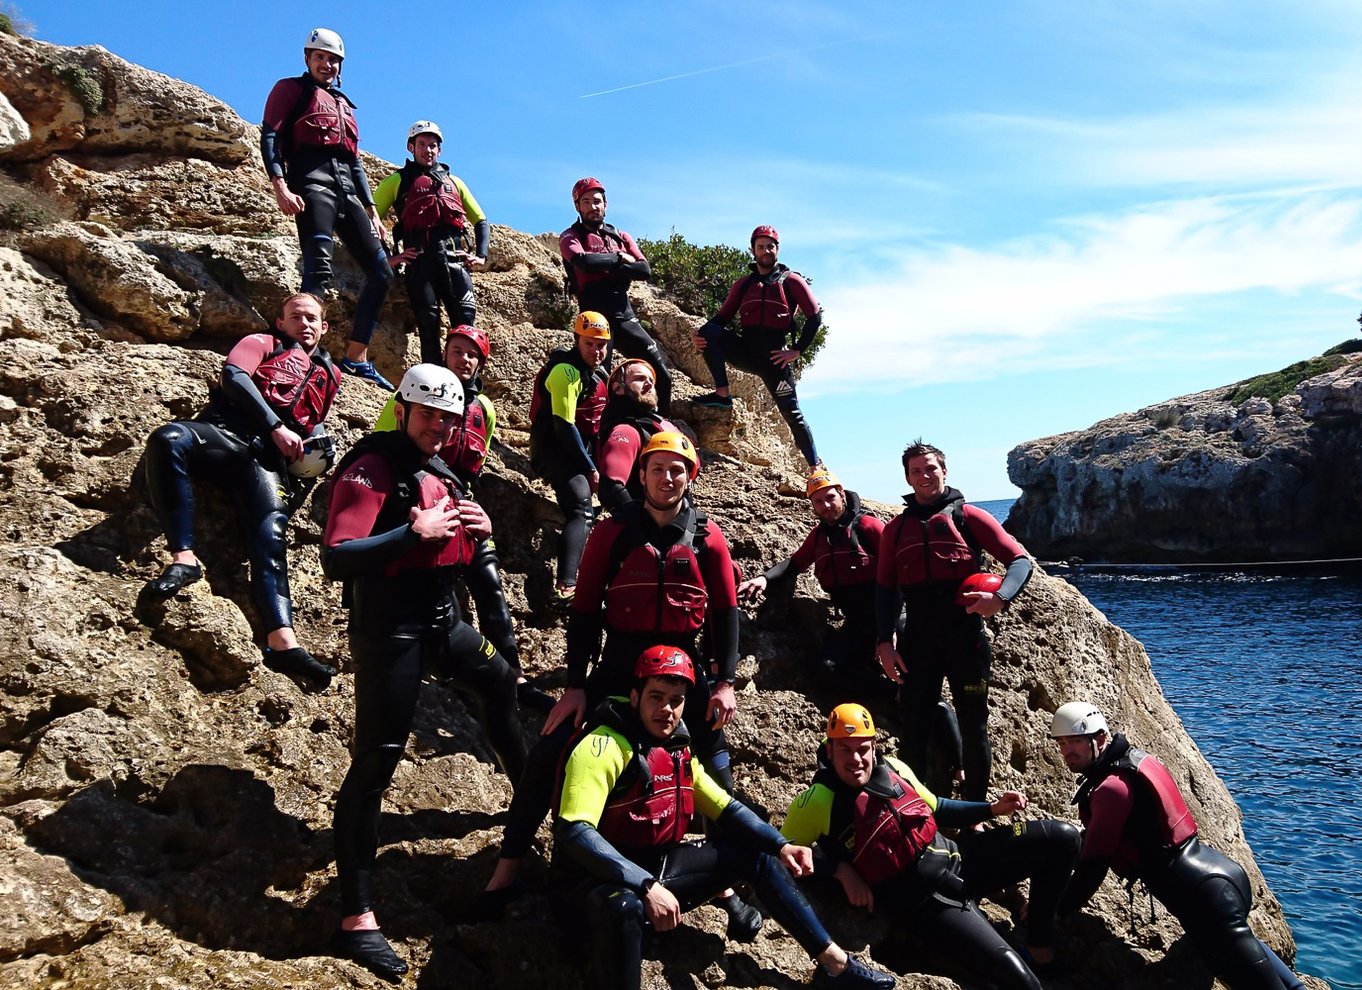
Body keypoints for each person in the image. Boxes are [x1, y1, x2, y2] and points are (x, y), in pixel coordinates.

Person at [480, 432, 745, 924]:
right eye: (658, 468)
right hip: (622, 664)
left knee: (714, 759)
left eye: (678, 469)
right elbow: (583, 611)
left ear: (691, 476)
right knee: (549, 749)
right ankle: (506, 871)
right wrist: (576, 685)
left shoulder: (708, 538)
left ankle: (726, 884)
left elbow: (726, 611)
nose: (668, 478)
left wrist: (724, 681)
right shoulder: (613, 531)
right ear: (641, 474)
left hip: (685, 668)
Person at [321, 365, 528, 979]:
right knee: (376, 762)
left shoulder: (443, 472)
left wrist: (480, 534)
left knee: (500, 682)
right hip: (391, 630)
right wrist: (411, 536)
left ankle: (527, 797)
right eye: (428, 414)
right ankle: (356, 920)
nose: (438, 426)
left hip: (443, 621)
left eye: (448, 418)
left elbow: (459, 553)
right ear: (403, 409)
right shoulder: (371, 466)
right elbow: (337, 556)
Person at [553, 647, 895, 990]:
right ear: (634, 695)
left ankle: (836, 965)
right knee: (623, 908)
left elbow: (726, 808)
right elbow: (574, 832)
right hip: (593, 885)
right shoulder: (602, 747)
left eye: (676, 699)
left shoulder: (676, 749)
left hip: (653, 872)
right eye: (656, 697)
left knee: (756, 853)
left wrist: (781, 846)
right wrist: (645, 885)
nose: (666, 709)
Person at [782, 704, 1081, 990]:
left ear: (874, 746)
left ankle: (1038, 945)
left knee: (1064, 837)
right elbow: (780, 857)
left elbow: (937, 807)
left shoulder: (894, 769)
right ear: (830, 749)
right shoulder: (816, 802)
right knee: (1020, 979)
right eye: (845, 749)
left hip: (962, 859)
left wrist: (991, 808)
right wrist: (838, 870)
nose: (856, 759)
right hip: (928, 904)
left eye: (863, 749)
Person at [143, 291, 339, 689]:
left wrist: (319, 447)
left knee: (271, 535)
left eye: (312, 318)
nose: (304, 324)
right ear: (281, 322)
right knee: (169, 439)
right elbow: (234, 377)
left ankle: (283, 643)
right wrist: (273, 426)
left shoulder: (328, 374)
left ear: (324, 327)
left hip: (266, 463)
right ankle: (184, 558)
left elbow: (311, 420)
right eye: (295, 317)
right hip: (227, 433)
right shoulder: (262, 342)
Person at [1050, 702, 1302, 990]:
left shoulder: (1112, 789)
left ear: (1101, 739)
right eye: (1062, 743)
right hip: (1214, 881)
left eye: (1077, 742)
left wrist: (1057, 909)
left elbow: (1093, 867)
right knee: (1236, 958)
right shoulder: (1134, 762)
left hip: (1207, 897)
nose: (1068, 751)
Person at [374, 324, 552, 711]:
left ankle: (514, 675)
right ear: (445, 354)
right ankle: (447, 668)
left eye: (472, 355)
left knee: (489, 583)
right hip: (413, 502)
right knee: (435, 587)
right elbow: (383, 442)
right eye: (457, 351)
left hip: (458, 503)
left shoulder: (483, 408)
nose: (464, 359)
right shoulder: (412, 392)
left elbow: (475, 463)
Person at [875, 440, 1034, 802]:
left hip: (967, 643)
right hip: (917, 644)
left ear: (944, 471)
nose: (925, 476)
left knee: (974, 727)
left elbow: (1020, 561)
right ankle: (914, 810)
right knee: (914, 728)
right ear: (908, 479)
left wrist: (1000, 598)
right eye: (916, 471)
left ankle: (976, 809)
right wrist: (884, 642)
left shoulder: (969, 518)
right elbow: (885, 590)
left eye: (931, 468)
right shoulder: (896, 530)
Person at [260, 28, 394, 390]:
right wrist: (280, 185)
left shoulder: (343, 104)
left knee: (382, 272)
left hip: (348, 193)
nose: (327, 64)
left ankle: (355, 357)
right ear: (308, 59)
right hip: (311, 184)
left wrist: (372, 211)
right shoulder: (290, 90)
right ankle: (297, 355)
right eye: (320, 57)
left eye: (333, 59)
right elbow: (270, 135)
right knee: (319, 269)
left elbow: (355, 162)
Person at [739, 467, 900, 695]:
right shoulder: (819, 536)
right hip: (857, 624)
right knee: (828, 669)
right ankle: (894, 694)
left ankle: (930, 706)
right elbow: (794, 563)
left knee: (912, 663)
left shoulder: (868, 526)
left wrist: (889, 630)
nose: (825, 506)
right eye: (818, 501)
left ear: (842, 495)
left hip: (891, 616)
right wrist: (764, 579)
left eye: (830, 497)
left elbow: (899, 574)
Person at [692, 225, 822, 469]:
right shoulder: (743, 285)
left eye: (770, 246)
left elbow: (814, 317)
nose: (766, 250)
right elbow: (722, 318)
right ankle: (722, 394)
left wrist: (797, 350)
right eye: (760, 246)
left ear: (778, 249)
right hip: (746, 351)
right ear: (752, 250)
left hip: (774, 358)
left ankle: (815, 466)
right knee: (708, 332)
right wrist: (698, 335)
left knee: (792, 414)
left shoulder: (791, 281)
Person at [375, 120, 490, 365]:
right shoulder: (398, 181)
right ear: (411, 147)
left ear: (440, 150)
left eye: (433, 145)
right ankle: (433, 390)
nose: (428, 150)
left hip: (456, 263)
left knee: (467, 329)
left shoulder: (455, 183)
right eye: (422, 144)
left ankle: (463, 389)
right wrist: (387, 257)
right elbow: (368, 219)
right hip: (420, 263)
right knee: (428, 326)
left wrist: (481, 255)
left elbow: (481, 221)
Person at [560, 177, 672, 414]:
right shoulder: (570, 236)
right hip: (594, 316)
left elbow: (644, 269)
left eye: (597, 201)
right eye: (586, 202)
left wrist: (609, 264)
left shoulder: (620, 236)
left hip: (624, 314)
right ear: (577, 206)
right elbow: (583, 262)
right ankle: (600, 430)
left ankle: (661, 426)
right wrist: (620, 260)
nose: (593, 207)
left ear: (606, 204)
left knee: (661, 373)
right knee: (599, 377)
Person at [529, 311, 611, 605]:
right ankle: (566, 585)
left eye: (602, 345)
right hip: (554, 450)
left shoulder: (598, 374)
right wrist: (590, 469)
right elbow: (563, 426)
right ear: (577, 341)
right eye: (590, 344)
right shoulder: (565, 372)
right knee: (581, 510)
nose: (596, 351)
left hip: (580, 450)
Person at [594, 358, 679, 516]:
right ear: (618, 388)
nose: (649, 384)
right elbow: (610, 488)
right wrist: (641, 528)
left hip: (679, 524)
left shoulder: (657, 425)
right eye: (640, 378)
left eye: (651, 381)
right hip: (650, 527)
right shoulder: (627, 431)